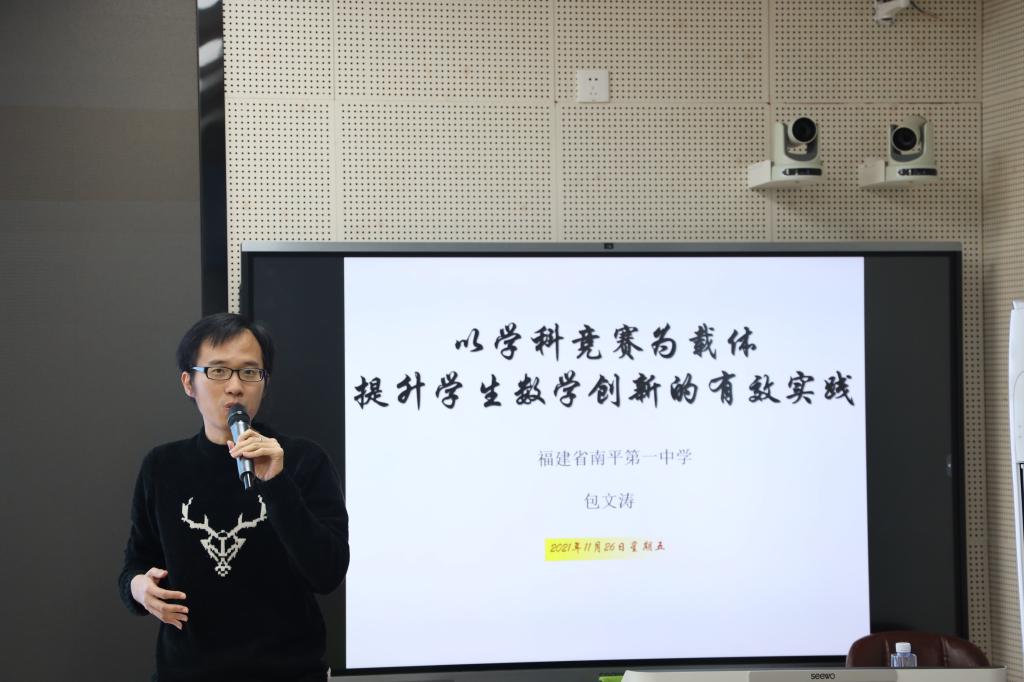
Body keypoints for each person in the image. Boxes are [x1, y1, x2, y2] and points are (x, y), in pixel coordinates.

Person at [118, 313, 349, 681]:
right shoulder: (162, 467)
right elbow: (136, 562)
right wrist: (138, 589)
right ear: (189, 383)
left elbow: (328, 573)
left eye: (249, 372)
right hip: (187, 672)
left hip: (287, 672)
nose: (235, 387)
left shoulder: (303, 460)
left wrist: (277, 484)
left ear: (264, 382)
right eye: (219, 371)